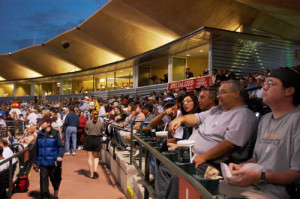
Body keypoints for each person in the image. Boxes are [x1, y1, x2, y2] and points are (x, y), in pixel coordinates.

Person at [220, 68, 300, 199]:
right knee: (209, 188)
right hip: (256, 184)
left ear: (289, 91)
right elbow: (257, 159)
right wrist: (240, 167)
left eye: (271, 83)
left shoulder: (297, 120)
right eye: (265, 83)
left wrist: (260, 177)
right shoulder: (265, 119)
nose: (264, 87)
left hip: (278, 192)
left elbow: (297, 174)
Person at [170, 80, 257, 172]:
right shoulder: (216, 110)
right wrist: (180, 119)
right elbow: (195, 118)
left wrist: (203, 157)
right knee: (164, 159)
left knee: (172, 171)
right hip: (190, 153)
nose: (218, 96)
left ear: (236, 93)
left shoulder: (244, 115)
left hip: (212, 163)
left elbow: (230, 145)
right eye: (218, 93)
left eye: (222, 92)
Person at [32, 116, 64, 199]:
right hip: (43, 162)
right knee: (43, 182)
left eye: (42, 122)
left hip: (54, 162)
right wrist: (34, 161)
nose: (40, 124)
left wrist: (60, 156)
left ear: (48, 123)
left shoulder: (55, 133)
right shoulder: (39, 134)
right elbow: (36, 149)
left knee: (55, 180)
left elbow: (61, 147)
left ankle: (56, 189)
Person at [84, 110, 104, 179]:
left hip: (89, 138)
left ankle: (91, 173)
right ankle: (95, 169)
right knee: (96, 157)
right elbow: (102, 130)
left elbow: (86, 129)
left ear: (91, 115)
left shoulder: (88, 122)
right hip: (97, 139)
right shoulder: (101, 123)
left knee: (90, 157)